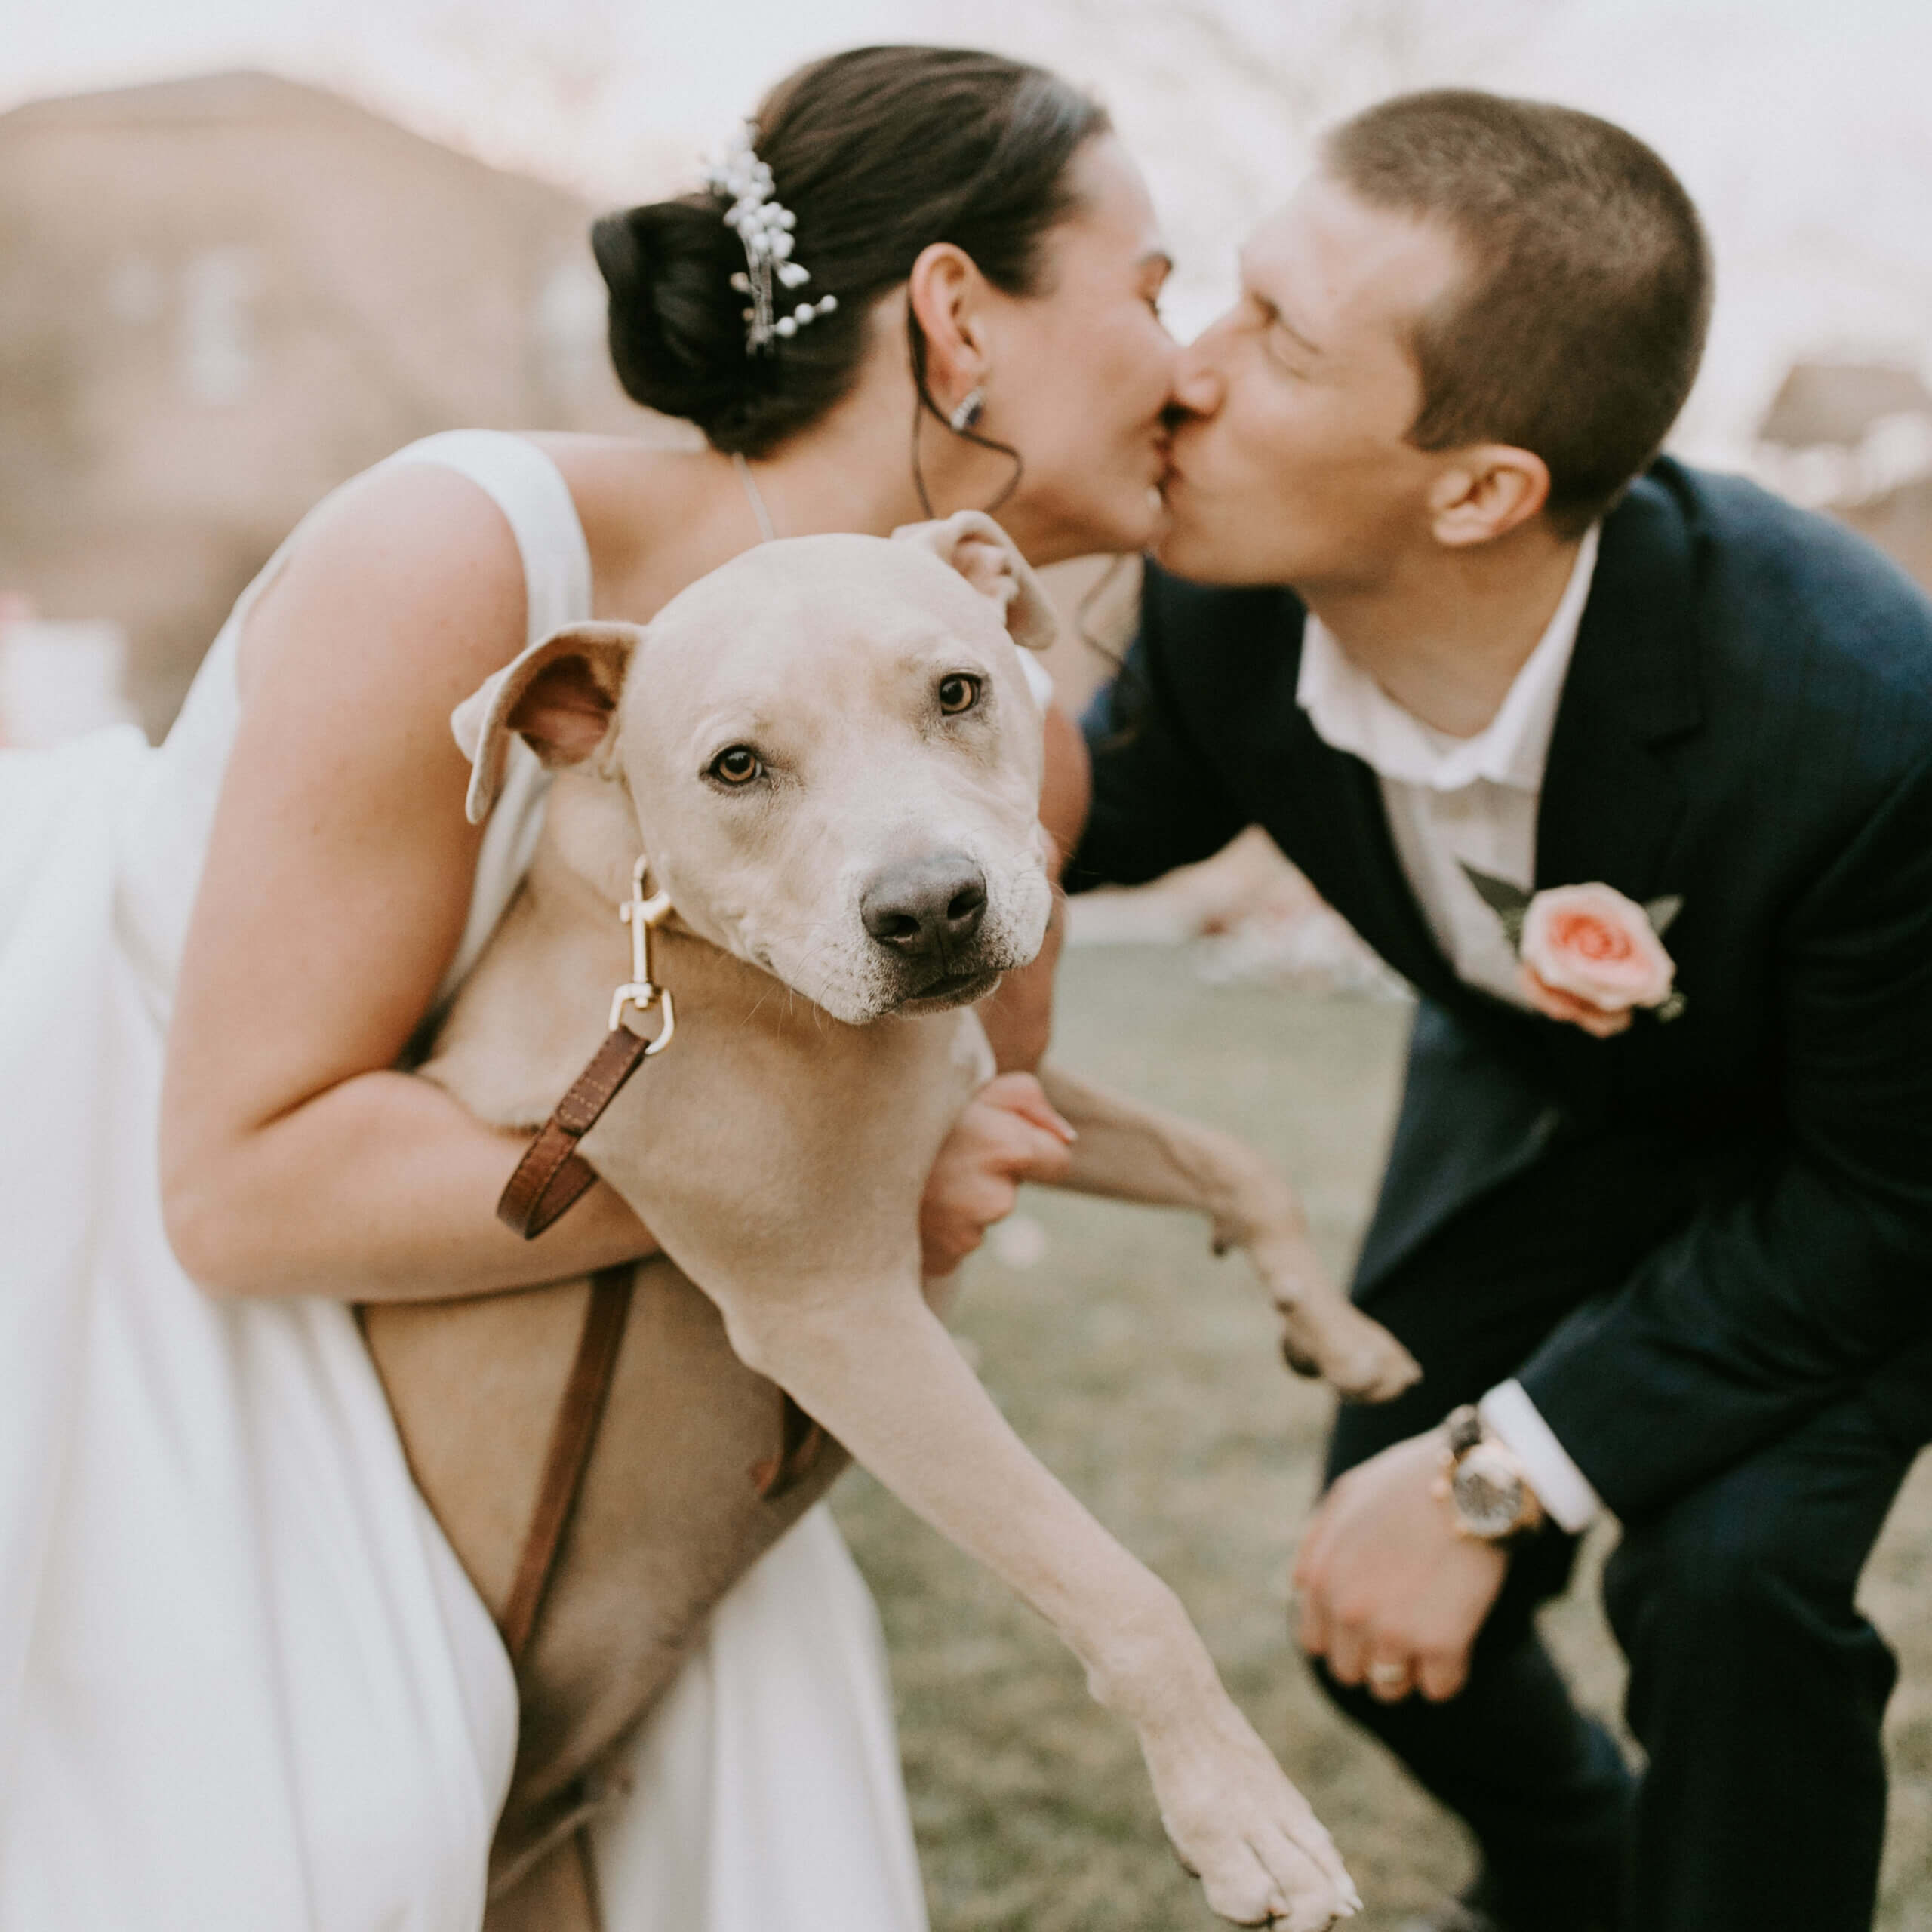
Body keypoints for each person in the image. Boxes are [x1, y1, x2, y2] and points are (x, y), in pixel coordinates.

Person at [0, 45, 1185, 1930]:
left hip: (641, 1423)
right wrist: (814, 1184)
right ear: (957, 315)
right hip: (201, 1377)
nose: (1186, 367)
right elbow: (243, 1184)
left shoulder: (1004, 746)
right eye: (1153, 291)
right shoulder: (466, 556)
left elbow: (935, 1172)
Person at [1066, 88, 1932, 1932]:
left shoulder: (1861, 721)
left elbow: (1888, 1198)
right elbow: (1071, 820)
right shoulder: (1219, 600)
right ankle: (1572, 1876)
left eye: (1275, 344)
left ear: (1476, 488)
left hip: (1852, 1175)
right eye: (1225, 300)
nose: (1183, 374)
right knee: (1359, 1599)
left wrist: (1493, 1475)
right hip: (1535, 1112)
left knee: (1727, 1587)